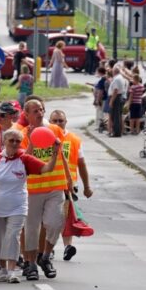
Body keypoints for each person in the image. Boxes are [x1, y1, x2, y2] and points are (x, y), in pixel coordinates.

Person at [0, 129, 58, 283]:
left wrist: (55, 152)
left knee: (12, 236)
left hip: (18, 206)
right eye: (11, 141)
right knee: (0, 239)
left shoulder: (25, 159)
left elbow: (47, 168)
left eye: (17, 141)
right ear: (4, 142)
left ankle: (13, 271)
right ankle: (4, 270)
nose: (14, 144)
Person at [19, 100, 72, 281]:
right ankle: (32, 263)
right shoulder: (23, 134)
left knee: (56, 223)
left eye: (41, 109)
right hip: (33, 188)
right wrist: (33, 140)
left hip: (55, 186)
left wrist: (69, 178)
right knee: (31, 229)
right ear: (27, 115)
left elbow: (62, 154)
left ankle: (46, 256)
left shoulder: (55, 130)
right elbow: (24, 159)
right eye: (35, 111)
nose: (40, 113)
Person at [49, 110, 93, 261]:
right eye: (54, 121)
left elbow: (81, 164)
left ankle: (68, 246)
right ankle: (49, 247)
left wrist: (87, 186)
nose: (57, 124)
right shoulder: (44, 138)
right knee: (51, 219)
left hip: (67, 186)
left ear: (66, 122)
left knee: (67, 217)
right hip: (49, 185)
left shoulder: (74, 139)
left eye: (60, 120)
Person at [108, 67, 128, 137]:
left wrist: (111, 101)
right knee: (117, 116)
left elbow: (115, 90)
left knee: (115, 116)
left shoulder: (117, 79)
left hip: (116, 98)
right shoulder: (120, 77)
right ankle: (116, 132)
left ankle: (116, 133)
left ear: (114, 72)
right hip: (118, 97)